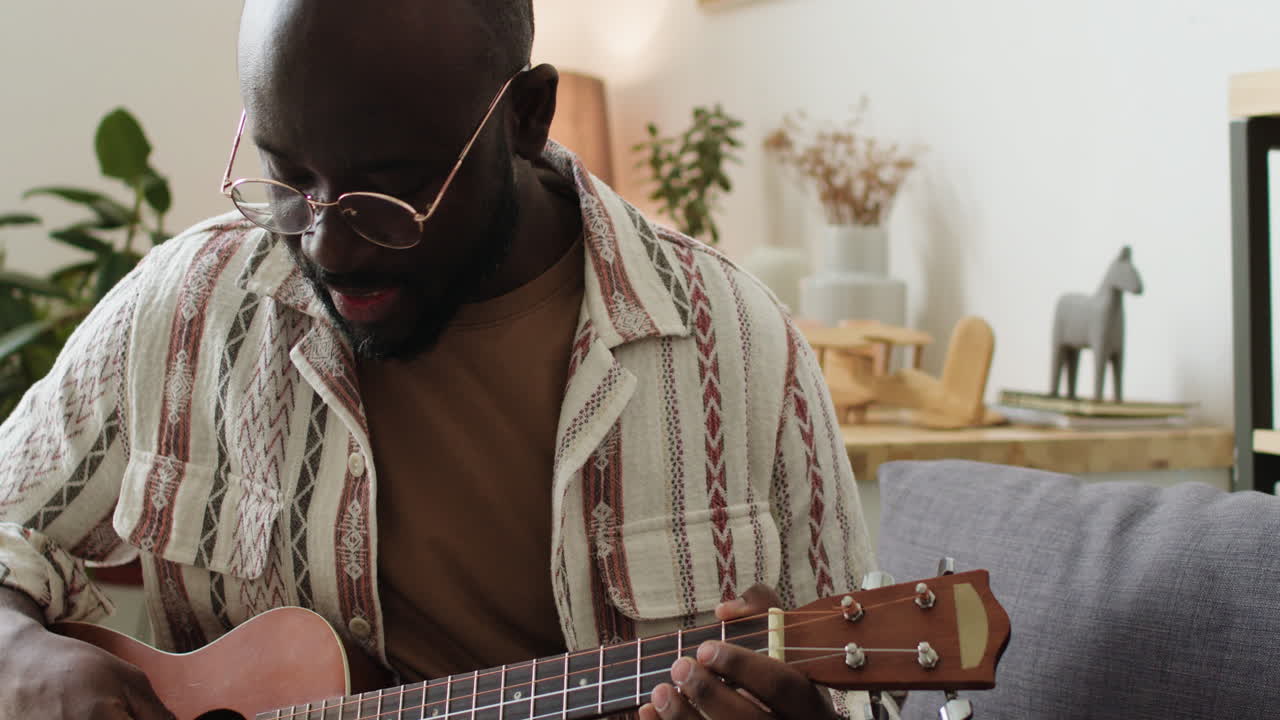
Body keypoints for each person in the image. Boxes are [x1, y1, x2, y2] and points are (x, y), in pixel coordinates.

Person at [0, 1, 876, 718]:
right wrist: (19, 652)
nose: (329, 247)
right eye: (286, 175)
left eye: (390, 192)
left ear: (527, 116)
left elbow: (861, 696)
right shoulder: (190, 305)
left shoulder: (737, 345)